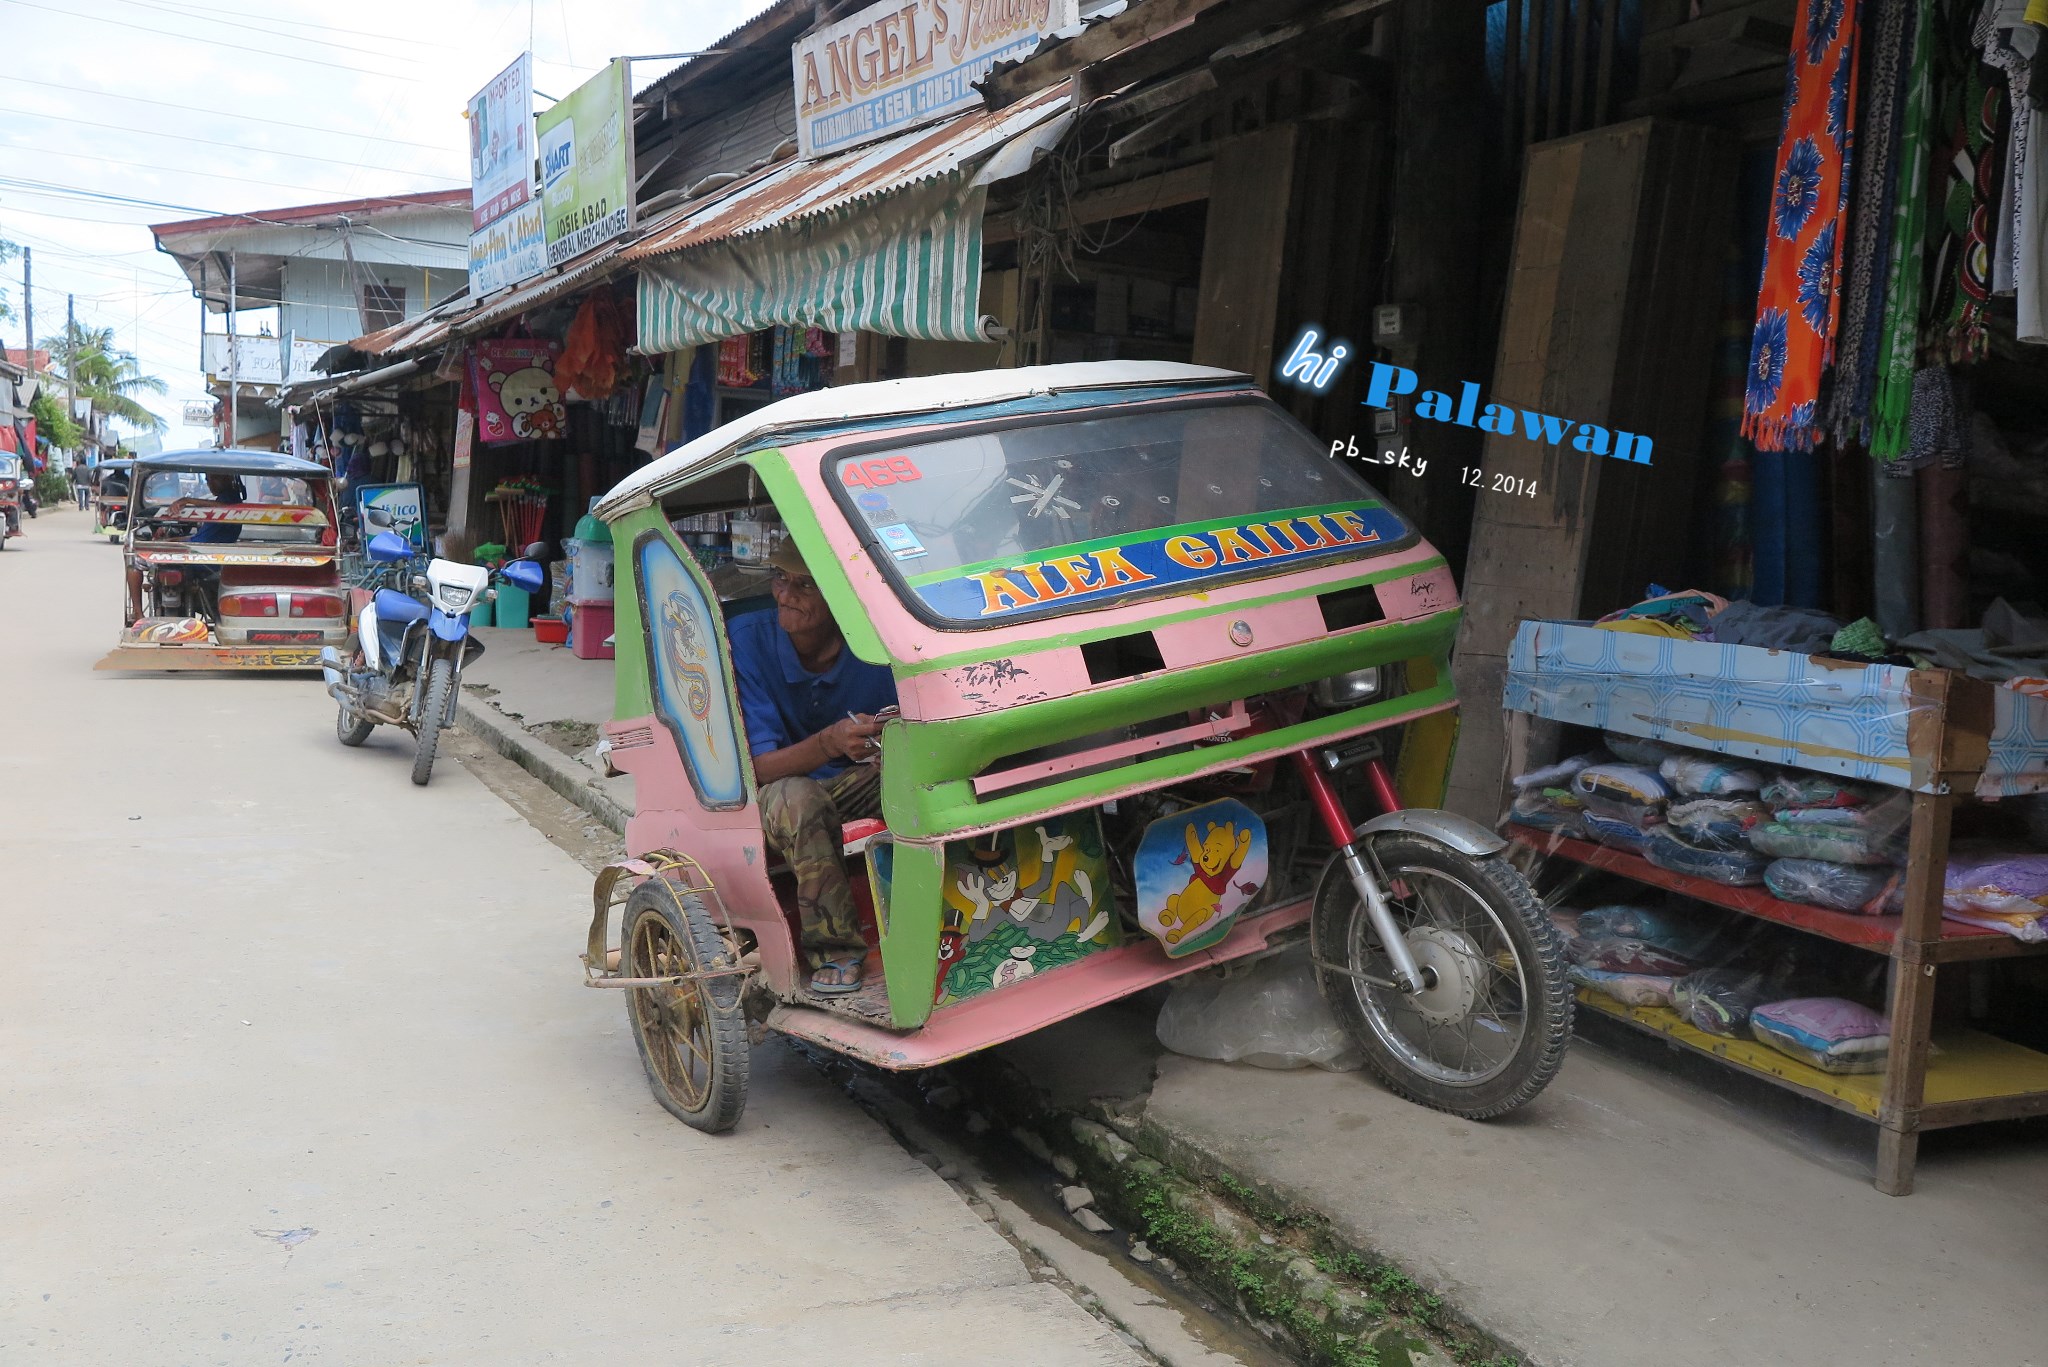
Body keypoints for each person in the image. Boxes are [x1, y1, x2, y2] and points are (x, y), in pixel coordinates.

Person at [730, 538, 898, 996]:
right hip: (779, 795)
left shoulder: (874, 639)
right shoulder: (747, 639)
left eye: (804, 584)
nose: (785, 594)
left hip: (854, 783)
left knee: (920, 769)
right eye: (780, 579)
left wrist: (883, 738)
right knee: (795, 798)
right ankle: (836, 950)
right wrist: (829, 743)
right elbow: (762, 768)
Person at [187, 473, 246, 544]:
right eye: (208, 480)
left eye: (215, 478)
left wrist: (188, 500)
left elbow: (225, 507)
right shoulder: (224, 498)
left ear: (227, 479)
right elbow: (197, 538)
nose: (210, 483)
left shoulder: (229, 499)